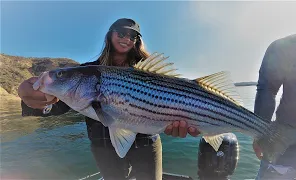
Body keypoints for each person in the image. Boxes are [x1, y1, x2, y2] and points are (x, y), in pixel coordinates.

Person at [18, 18, 199, 180]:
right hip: (104, 149)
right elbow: (55, 106)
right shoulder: (88, 70)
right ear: (109, 36)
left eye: (133, 36)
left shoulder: (149, 72)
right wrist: (32, 101)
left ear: (137, 42)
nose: (127, 38)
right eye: (121, 33)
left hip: (146, 146)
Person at [253, 27, 296, 179]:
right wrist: (260, 132)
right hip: (285, 149)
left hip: (282, 149)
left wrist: (259, 134)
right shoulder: (285, 47)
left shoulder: (284, 46)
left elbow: (266, 89)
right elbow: (268, 90)